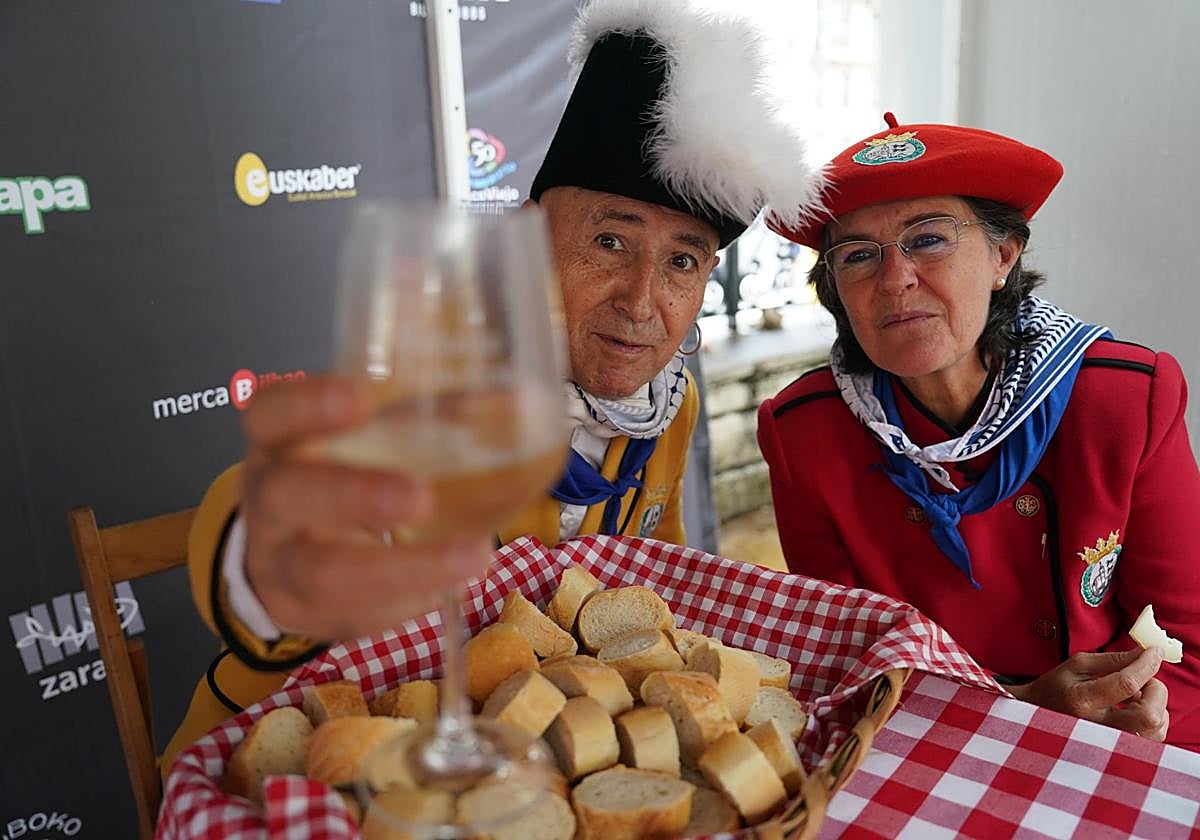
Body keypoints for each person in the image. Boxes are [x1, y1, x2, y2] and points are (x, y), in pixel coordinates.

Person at [161, 1, 821, 773]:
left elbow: (654, 574)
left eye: (682, 261)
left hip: (516, 762)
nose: (643, 303)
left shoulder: (668, 406)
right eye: (610, 240)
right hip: (292, 767)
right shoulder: (440, 374)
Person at [758, 113, 1200, 749]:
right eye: (858, 255)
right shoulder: (803, 432)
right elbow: (843, 657)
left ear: (1003, 256)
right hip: (924, 738)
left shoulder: (1125, 400)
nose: (895, 279)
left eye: (928, 239)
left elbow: (1188, 642)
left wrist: (1136, 717)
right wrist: (1017, 710)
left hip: (1113, 737)